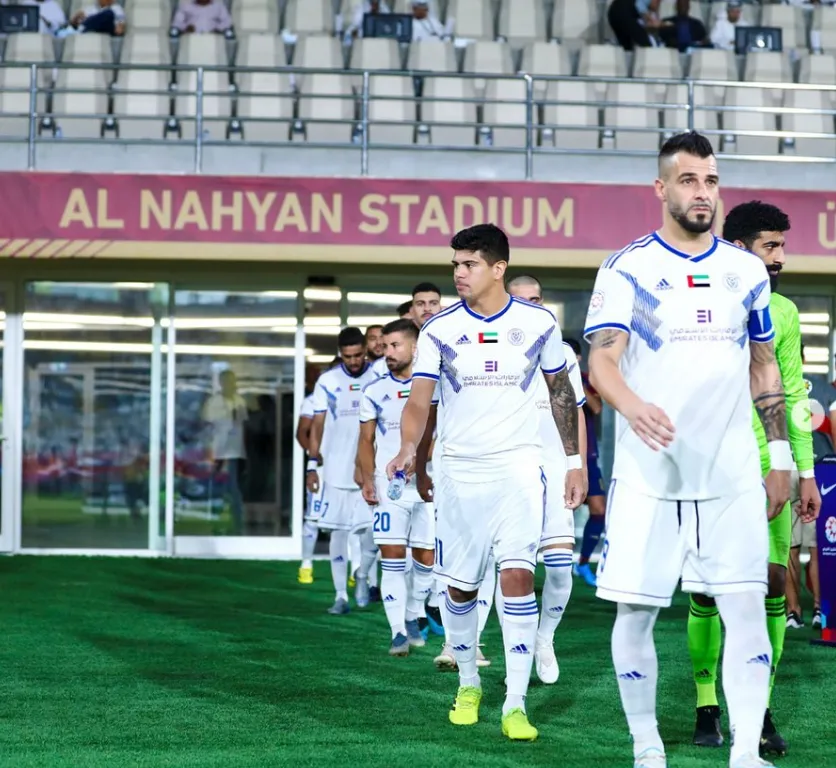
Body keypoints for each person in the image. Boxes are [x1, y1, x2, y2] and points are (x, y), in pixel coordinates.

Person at [584, 131, 805, 768]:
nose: (702, 192)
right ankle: (647, 746)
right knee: (636, 613)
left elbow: (764, 366)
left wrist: (781, 457)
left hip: (731, 474)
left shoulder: (745, 271)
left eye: (710, 180)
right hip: (650, 475)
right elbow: (602, 360)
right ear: (662, 188)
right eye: (688, 180)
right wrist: (633, 406)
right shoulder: (627, 267)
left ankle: (745, 752)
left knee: (746, 608)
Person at [388, 223, 584, 741]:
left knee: (517, 576)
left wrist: (573, 461)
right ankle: (469, 683)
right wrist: (409, 449)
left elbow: (562, 393)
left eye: (469, 264)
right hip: (459, 473)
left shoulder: (538, 323)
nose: (459, 273)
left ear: (498, 268)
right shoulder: (439, 329)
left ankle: (516, 703)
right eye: (456, 264)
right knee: (460, 587)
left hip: (519, 470)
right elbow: (419, 402)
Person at [686, 201, 821, 756]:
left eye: (782, 245)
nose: (781, 256)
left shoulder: (784, 312)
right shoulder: (697, 304)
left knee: (771, 581)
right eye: (771, 246)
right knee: (705, 589)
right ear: (739, 248)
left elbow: (791, 394)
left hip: (770, 469)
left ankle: (759, 708)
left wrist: (803, 471)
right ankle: (706, 704)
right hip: (708, 466)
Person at [506, 275, 587, 686]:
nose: (531, 306)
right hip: (509, 467)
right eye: (521, 300)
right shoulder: (496, 348)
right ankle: (509, 654)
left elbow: (576, 410)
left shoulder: (563, 353)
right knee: (509, 568)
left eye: (536, 300)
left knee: (558, 568)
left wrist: (578, 465)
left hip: (555, 466)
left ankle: (545, 638)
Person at [358, 319, 436, 655]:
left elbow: (440, 433)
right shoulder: (374, 390)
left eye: (394, 346)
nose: (386, 352)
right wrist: (367, 478)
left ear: (414, 348)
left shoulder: (436, 387)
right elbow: (365, 440)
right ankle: (398, 632)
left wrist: (424, 463)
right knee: (392, 556)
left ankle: (414, 613)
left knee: (426, 559)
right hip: (387, 484)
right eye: (384, 346)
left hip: (428, 484)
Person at [307, 328, 380, 615]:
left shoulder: (378, 375)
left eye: (358, 355)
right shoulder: (327, 381)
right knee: (337, 534)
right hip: (336, 472)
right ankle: (340, 596)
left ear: (364, 351)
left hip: (369, 470)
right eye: (347, 356)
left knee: (372, 533)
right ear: (340, 354)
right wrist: (312, 466)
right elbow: (317, 426)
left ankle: (362, 574)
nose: (353, 361)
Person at [564, 336, 609, 587]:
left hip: (588, 455)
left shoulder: (585, 379)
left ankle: (582, 563)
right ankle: (551, 563)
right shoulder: (547, 379)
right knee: (559, 513)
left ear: (578, 358)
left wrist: (577, 381)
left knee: (599, 510)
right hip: (558, 456)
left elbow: (597, 407)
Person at [202, 369, 248, 535]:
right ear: (221, 383)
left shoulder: (240, 401)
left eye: (232, 381)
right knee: (218, 488)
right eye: (227, 381)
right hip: (218, 452)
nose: (230, 384)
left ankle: (236, 524)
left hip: (236, 451)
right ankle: (215, 522)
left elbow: (244, 422)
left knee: (235, 489)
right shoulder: (213, 402)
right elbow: (207, 423)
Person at [297, 385, 317, 585]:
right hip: (322, 468)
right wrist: (314, 456)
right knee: (313, 516)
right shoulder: (313, 400)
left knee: (354, 523)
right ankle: (306, 564)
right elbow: (301, 432)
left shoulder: (361, 392)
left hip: (352, 467)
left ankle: (355, 570)